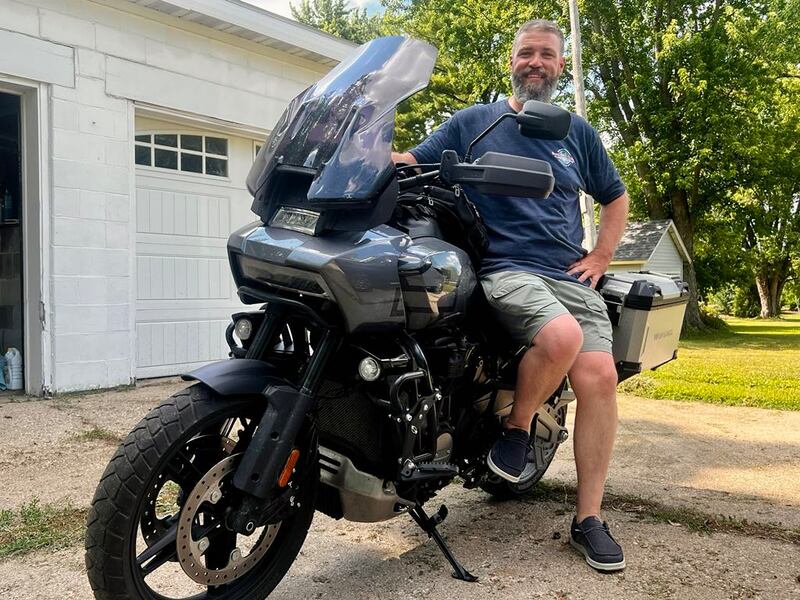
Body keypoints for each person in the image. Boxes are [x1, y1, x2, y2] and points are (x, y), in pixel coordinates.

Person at [392, 19, 630, 572]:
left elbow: (614, 198)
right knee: (562, 336)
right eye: (527, 53)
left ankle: (588, 519)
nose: (536, 63)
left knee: (600, 378)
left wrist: (601, 257)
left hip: (570, 275)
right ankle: (517, 429)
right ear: (512, 62)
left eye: (547, 55)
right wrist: (361, 154)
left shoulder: (576, 132)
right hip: (506, 267)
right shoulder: (476, 121)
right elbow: (414, 161)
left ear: (561, 67)